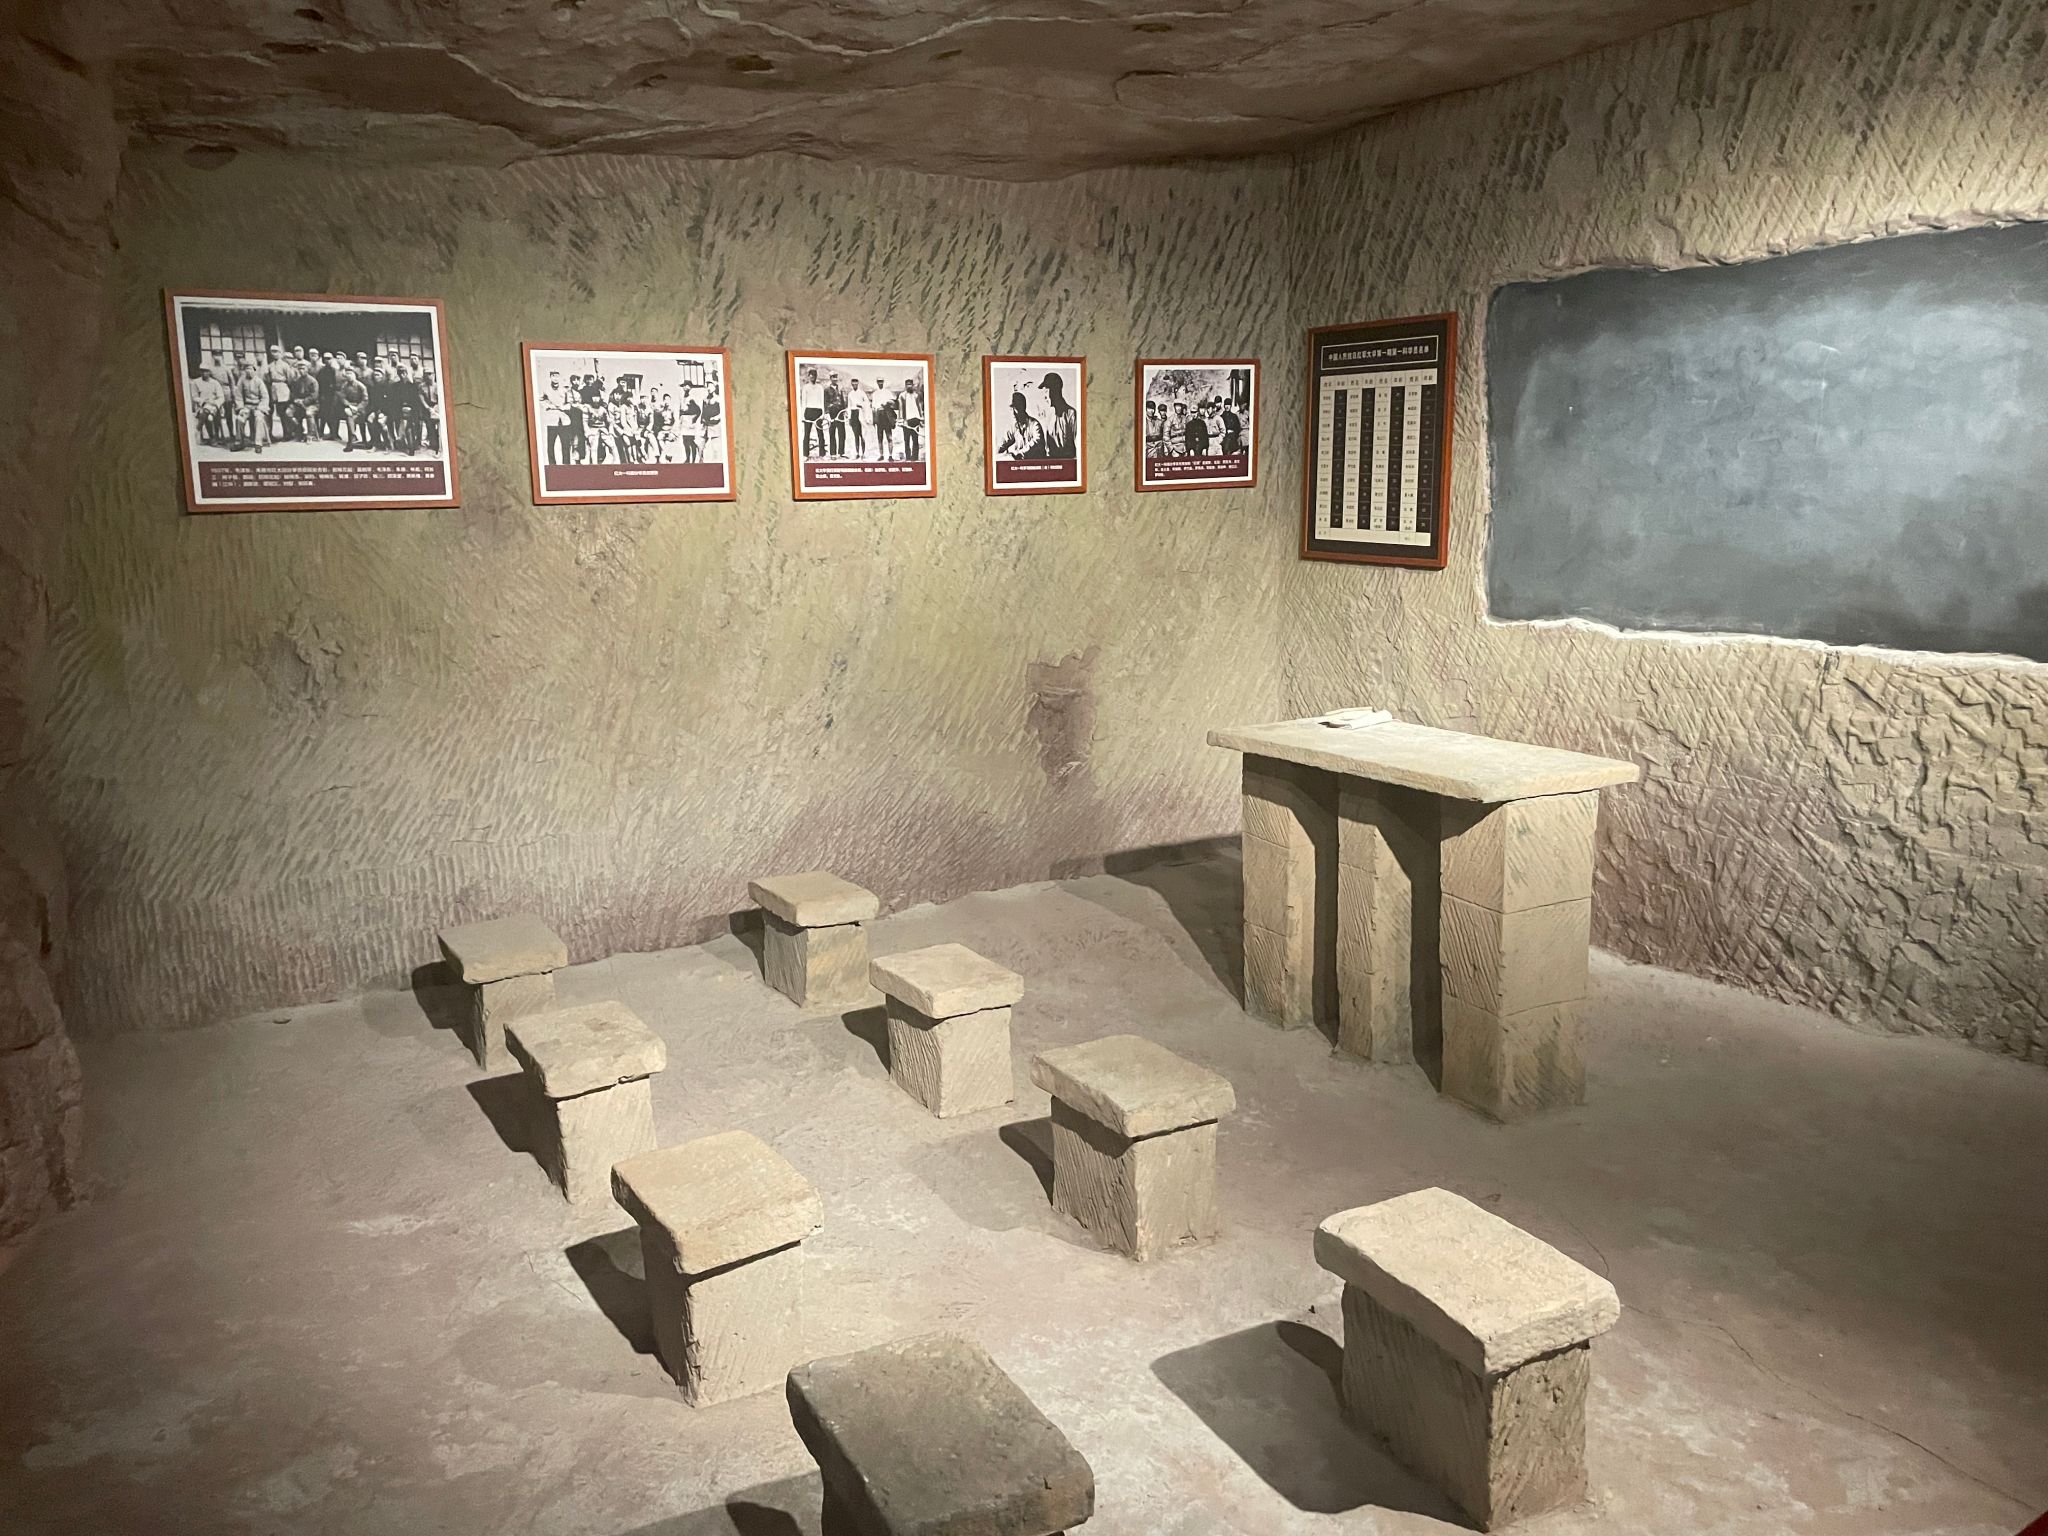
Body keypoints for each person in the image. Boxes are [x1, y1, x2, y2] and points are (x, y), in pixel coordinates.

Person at [995, 390, 1044, 461]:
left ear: (1022, 408)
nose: (1013, 413)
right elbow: (1002, 444)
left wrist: (1018, 454)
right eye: (1011, 409)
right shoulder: (1013, 427)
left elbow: (1036, 442)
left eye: (1016, 409)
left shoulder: (1035, 425)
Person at [1039, 372, 1078, 460]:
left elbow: (1078, 447)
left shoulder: (1071, 414)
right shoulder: (1048, 415)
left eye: (1046, 391)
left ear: (1055, 391)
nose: (1044, 397)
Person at [798, 367, 826, 458]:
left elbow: (822, 401)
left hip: (818, 412)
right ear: (808, 376)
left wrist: (823, 413)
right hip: (808, 411)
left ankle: (822, 454)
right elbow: (803, 402)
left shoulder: (820, 387)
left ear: (816, 376)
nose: (812, 377)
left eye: (814, 375)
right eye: (811, 376)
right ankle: (805, 455)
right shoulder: (805, 387)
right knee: (807, 434)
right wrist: (802, 416)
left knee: (820, 434)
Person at [899, 375, 925, 463]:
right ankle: (908, 457)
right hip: (906, 421)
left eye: (910, 384)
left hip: (915, 420)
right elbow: (901, 409)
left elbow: (919, 407)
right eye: (907, 384)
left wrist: (921, 418)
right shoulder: (902, 395)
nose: (909, 386)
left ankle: (915, 457)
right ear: (905, 385)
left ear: (912, 385)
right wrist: (901, 420)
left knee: (915, 440)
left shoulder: (916, 395)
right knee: (906, 440)